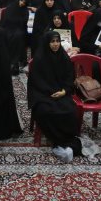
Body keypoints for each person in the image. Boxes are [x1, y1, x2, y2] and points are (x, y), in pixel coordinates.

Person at [28, 31, 85, 162]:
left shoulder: (63, 57)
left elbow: (69, 79)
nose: (55, 44)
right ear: (47, 43)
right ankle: (58, 139)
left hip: (61, 93)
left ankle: (64, 139)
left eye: (57, 41)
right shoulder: (39, 59)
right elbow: (36, 81)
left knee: (69, 110)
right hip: (42, 94)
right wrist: (49, 92)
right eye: (52, 41)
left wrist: (64, 91)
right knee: (45, 111)